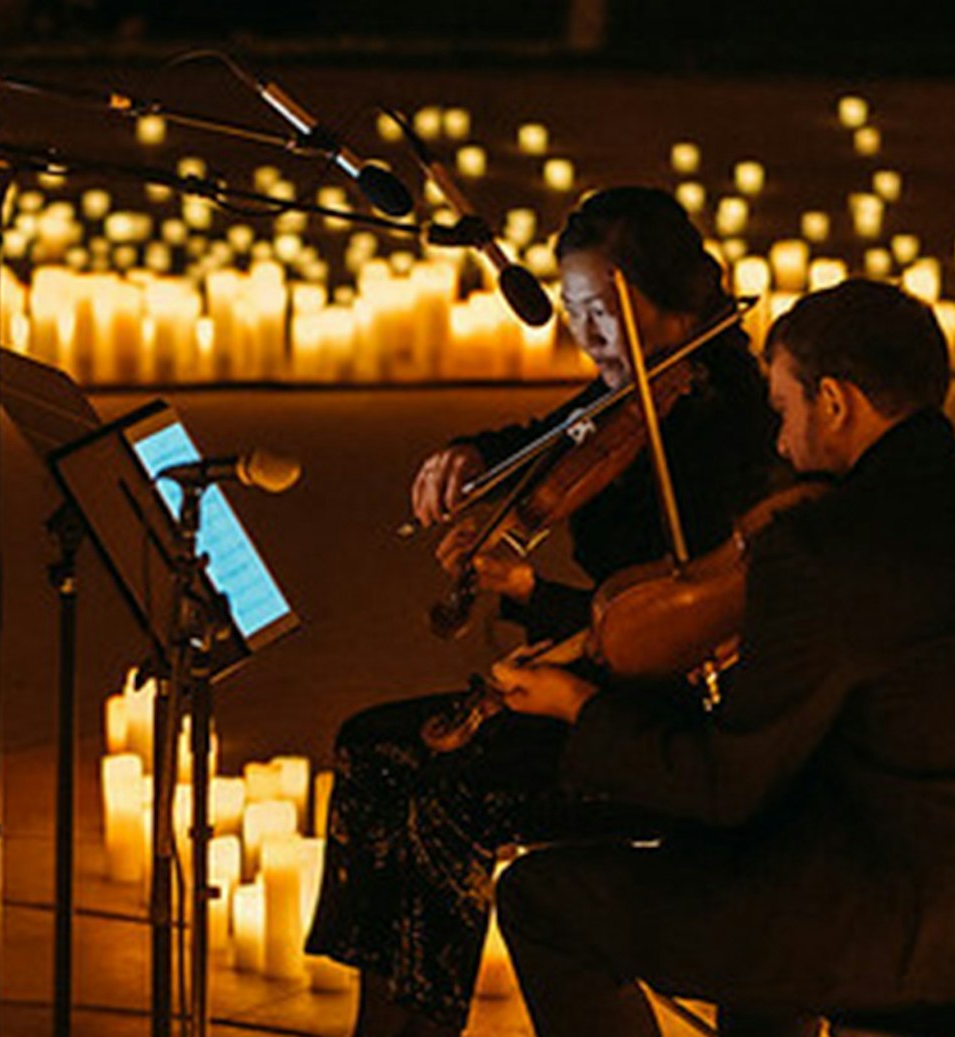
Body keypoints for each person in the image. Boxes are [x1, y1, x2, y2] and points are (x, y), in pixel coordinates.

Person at [486, 280, 955, 1037]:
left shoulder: (823, 546)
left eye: (784, 408)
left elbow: (725, 784)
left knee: (544, 898)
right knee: (748, 877)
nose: (778, 442)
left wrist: (577, 706)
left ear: (834, 400)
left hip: (884, 940)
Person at [307, 186, 786, 1037]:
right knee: (373, 748)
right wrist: (471, 455)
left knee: (447, 796)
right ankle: (383, 1026)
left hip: (672, 723)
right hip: (607, 678)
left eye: (604, 312)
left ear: (673, 295)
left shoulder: (734, 424)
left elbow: (672, 627)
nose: (588, 337)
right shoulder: (634, 393)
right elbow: (556, 435)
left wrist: (531, 595)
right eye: (574, 312)